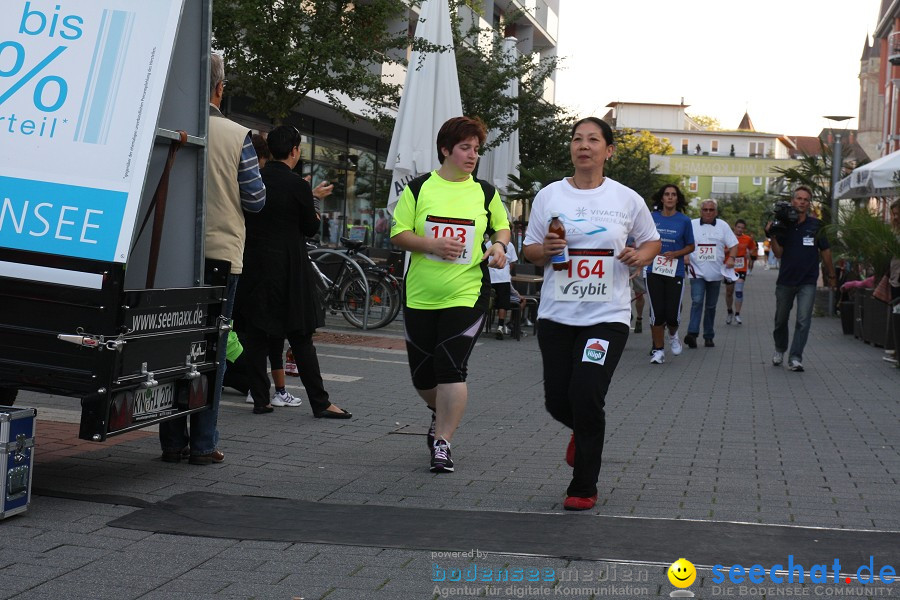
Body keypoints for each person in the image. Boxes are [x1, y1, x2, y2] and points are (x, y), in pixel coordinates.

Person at [522, 117, 660, 511]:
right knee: (556, 400)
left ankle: (583, 485)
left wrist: (640, 254)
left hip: (607, 315)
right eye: (578, 139)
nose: (584, 146)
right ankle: (583, 433)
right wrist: (545, 250)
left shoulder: (626, 199)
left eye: (593, 140)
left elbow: (651, 241)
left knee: (587, 393)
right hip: (556, 313)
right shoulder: (550, 195)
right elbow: (529, 250)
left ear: (608, 150)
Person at [158, 52, 266, 465]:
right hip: (219, 255)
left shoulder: (168, 127)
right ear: (220, 88)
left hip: (167, 256)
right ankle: (203, 443)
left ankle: (171, 441)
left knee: (170, 345)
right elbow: (255, 201)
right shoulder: (237, 136)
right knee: (211, 349)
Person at [390, 116, 510, 474]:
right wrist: (430, 244)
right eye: (465, 148)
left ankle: (442, 443)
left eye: (476, 149)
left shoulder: (485, 192)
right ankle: (438, 412)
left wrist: (500, 246)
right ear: (446, 150)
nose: (472, 155)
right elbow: (398, 233)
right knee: (422, 378)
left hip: (467, 292)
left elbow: (501, 228)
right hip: (420, 294)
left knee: (451, 368)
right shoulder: (419, 188)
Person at [234, 125, 351, 418]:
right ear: (295, 151)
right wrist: (312, 204)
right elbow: (310, 227)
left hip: (255, 264)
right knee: (300, 337)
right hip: (289, 267)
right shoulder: (297, 184)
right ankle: (320, 403)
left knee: (255, 335)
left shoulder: (253, 180)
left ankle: (261, 399)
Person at [766, 186, 837, 372]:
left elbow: (826, 251)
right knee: (781, 320)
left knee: (803, 320)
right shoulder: (783, 225)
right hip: (786, 280)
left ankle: (796, 357)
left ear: (809, 203)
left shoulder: (816, 225)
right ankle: (780, 349)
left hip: (808, 280)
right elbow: (779, 253)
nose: (802, 202)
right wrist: (772, 235)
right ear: (792, 201)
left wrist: (831, 274)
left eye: (806, 199)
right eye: (799, 198)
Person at [645, 184, 694, 364]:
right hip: (654, 270)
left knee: (672, 314)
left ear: (677, 199)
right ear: (662, 198)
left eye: (673, 195)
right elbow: (643, 239)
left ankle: (673, 335)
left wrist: (676, 254)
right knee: (657, 313)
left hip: (675, 271)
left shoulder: (684, 221)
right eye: (667, 194)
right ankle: (658, 350)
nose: (670, 197)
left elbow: (691, 246)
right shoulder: (651, 218)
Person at [683, 199, 737, 349]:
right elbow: (682, 242)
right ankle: (692, 334)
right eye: (705, 209)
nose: (708, 212)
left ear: (716, 212)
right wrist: (685, 255)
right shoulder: (691, 224)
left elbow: (733, 245)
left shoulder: (723, 226)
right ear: (700, 211)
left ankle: (708, 336)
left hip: (715, 273)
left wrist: (731, 258)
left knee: (711, 306)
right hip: (696, 272)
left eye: (711, 210)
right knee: (697, 301)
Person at [724, 219, 755, 325]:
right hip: (729, 267)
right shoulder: (727, 238)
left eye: (742, 228)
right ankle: (729, 312)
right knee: (729, 292)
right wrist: (729, 250)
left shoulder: (747, 239)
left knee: (738, 291)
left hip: (741, 267)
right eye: (738, 227)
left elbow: (752, 248)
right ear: (734, 227)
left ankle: (737, 314)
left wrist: (748, 254)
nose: (740, 229)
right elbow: (721, 251)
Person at [489, 240, 519, 340]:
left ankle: (481, 325)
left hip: (490, 278)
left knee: (487, 302)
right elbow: (512, 262)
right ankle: (500, 326)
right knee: (503, 304)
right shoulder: (509, 245)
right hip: (503, 278)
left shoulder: (488, 243)